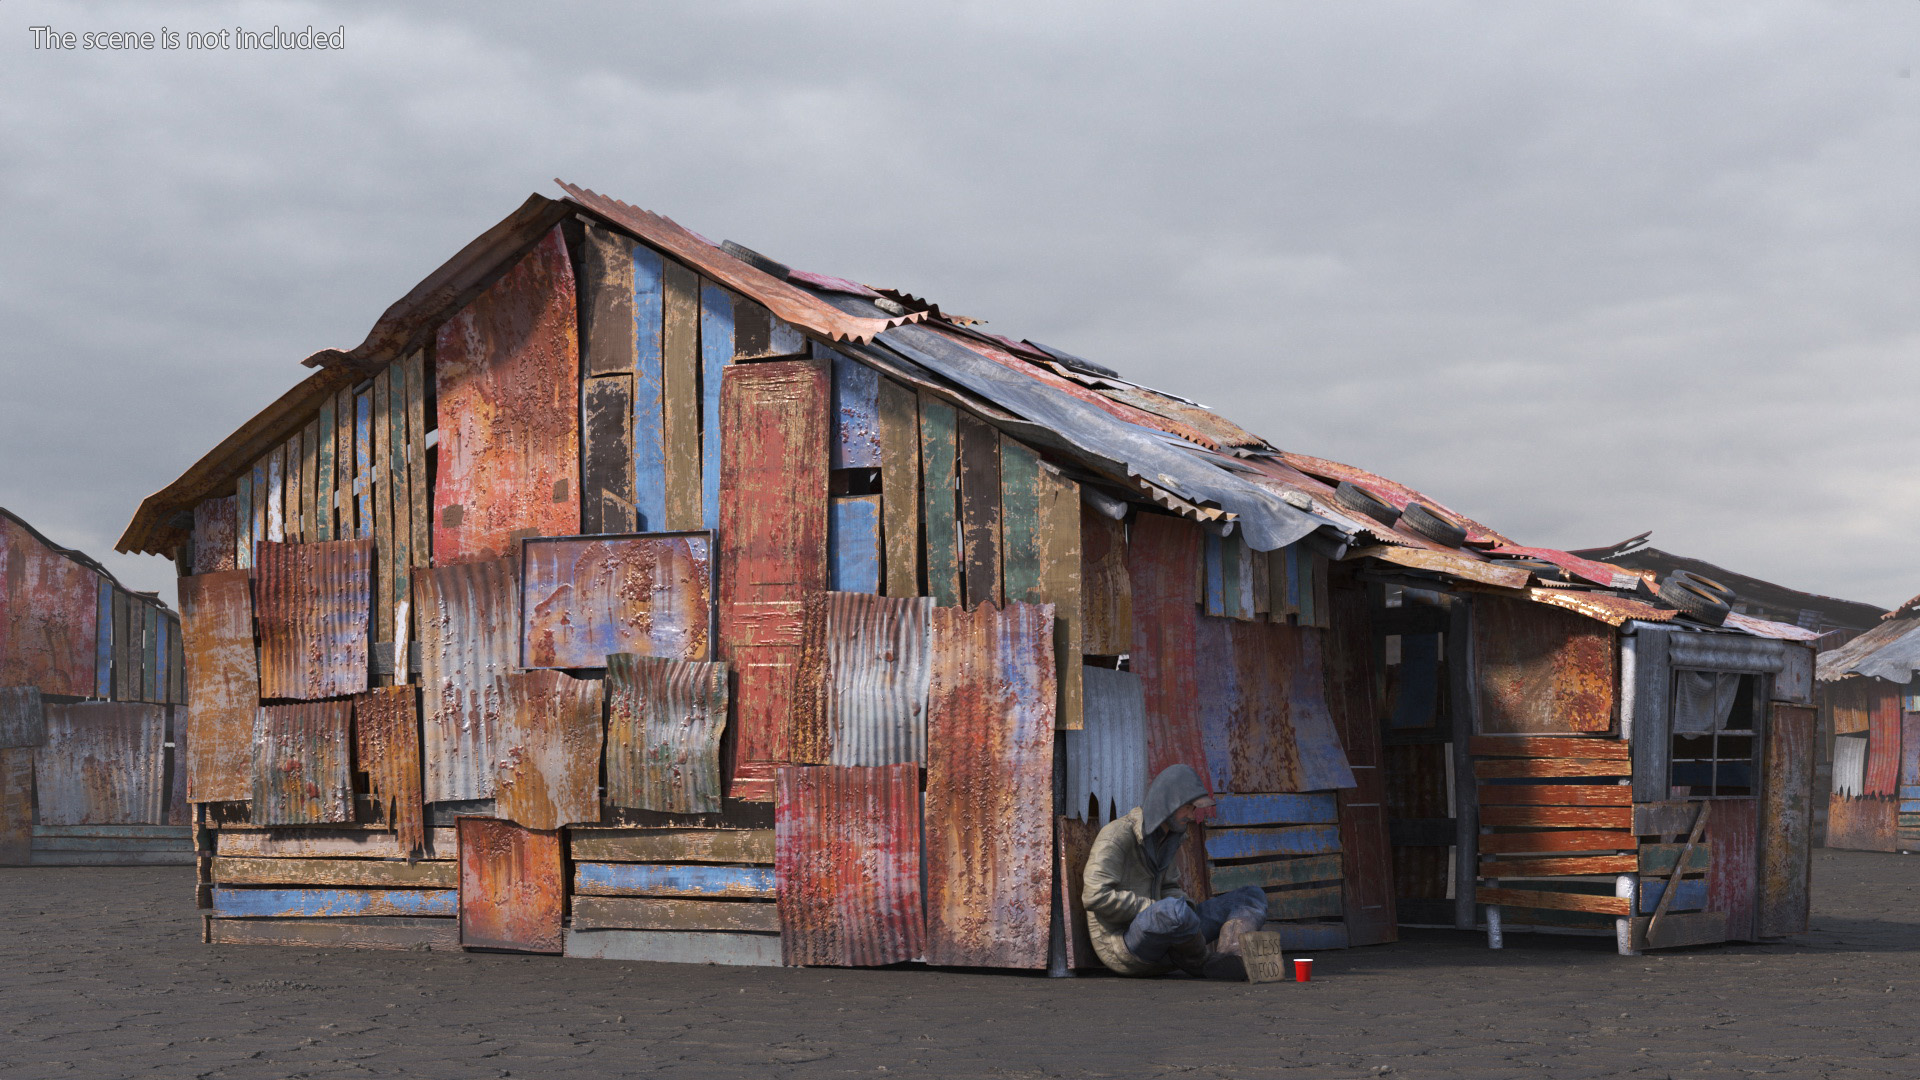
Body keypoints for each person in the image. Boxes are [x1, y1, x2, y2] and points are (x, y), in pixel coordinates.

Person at [1081, 763, 1270, 978]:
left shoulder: (1170, 836)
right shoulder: (1117, 835)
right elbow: (1095, 896)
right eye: (1188, 807)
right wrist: (1158, 908)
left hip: (1169, 932)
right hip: (1125, 945)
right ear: (1168, 803)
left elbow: (1170, 887)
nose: (1192, 815)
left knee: (1250, 896)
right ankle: (1205, 964)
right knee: (1173, 910)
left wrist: (1185, 908)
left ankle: (1234, 959)